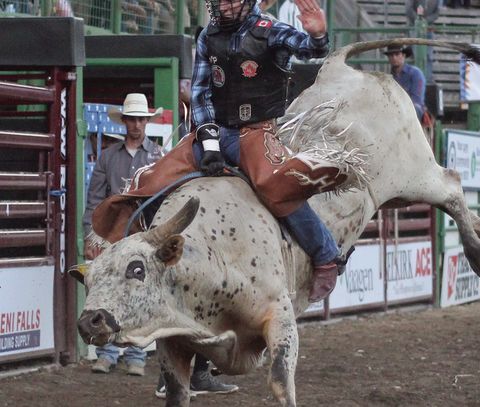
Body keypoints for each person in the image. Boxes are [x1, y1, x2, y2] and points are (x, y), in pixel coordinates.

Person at [191, 0, 341, 303]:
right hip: (215, 129)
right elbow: (200, 93)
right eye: (220, 0)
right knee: (166, 172)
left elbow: (310, 51)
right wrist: (209, 143)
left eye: (231, 0)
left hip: (256, 129)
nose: (224, 6)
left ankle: (325, 254)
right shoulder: (208, 35)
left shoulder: (270, 30)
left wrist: (317, 37)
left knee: (271, 184)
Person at [83, 93, 164, 376]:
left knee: (136, 294)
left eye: (141, 119)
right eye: (133, 119)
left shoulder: (157, 157)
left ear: (146, 122)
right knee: (109, 293)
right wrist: (90, 236)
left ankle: (135, 353)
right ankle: (107, 352)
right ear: (125, 122)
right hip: (111, 237)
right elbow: (94, 200)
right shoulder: (109, 157)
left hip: (141, 237)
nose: (137, 125)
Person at [384, 44, 426, 121]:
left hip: (412, 110)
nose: (394, 58)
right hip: (394, 110)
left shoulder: (416, 74)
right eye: (391, 55)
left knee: (415, 109)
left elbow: (417, 100)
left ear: (404, 55)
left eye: (397, 54)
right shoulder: (388, 77)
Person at [405, 0, 439, 82]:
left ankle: (427, 79)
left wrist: (425, 21)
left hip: (428, 29)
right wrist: (418, 20)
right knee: (415, 54)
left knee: (429, 56)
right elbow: (408, 9)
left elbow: (437, 13)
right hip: (415, 28)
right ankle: (414, 79)